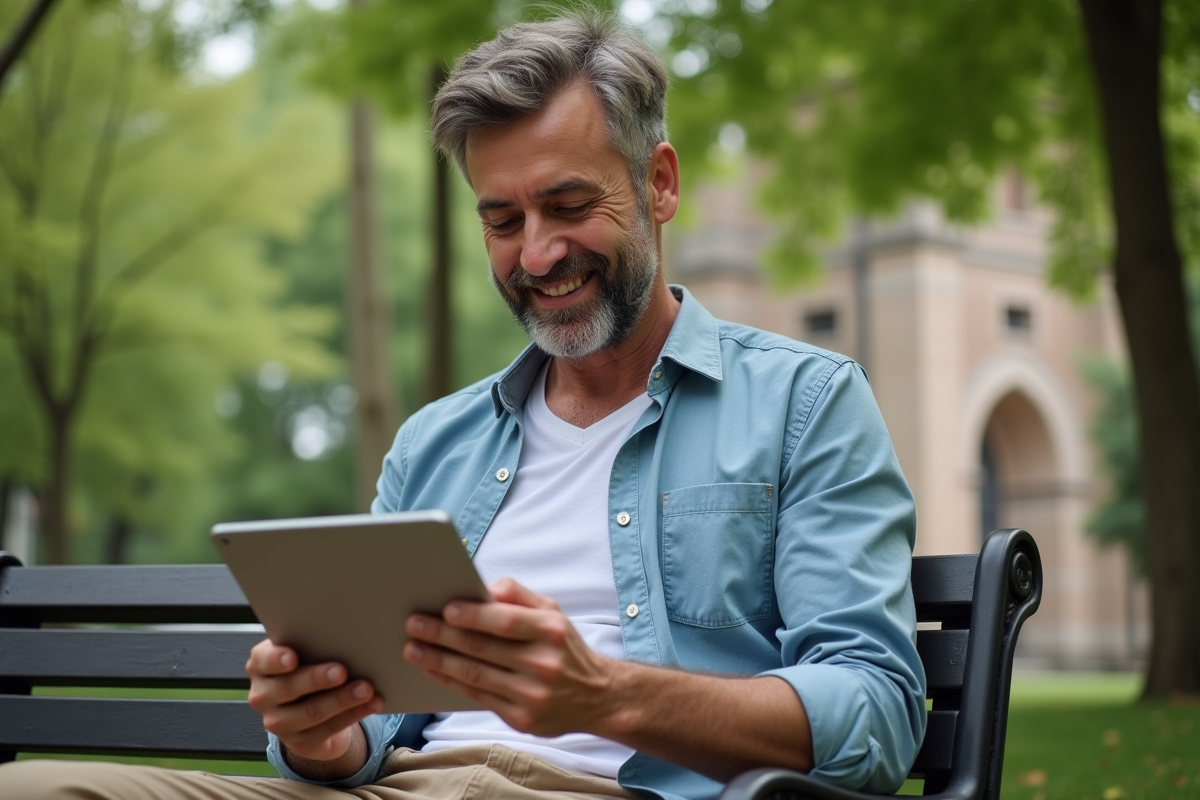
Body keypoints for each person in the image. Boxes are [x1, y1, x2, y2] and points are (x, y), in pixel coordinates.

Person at [0, 10, 925, 800]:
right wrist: (324, 736)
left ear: (660, 182)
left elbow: (877, 711)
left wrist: (605, 694)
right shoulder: (434, 442)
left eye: (568, 204)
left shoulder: (804, 404)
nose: (536, 255)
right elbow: (377, 728)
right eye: (502, 219)